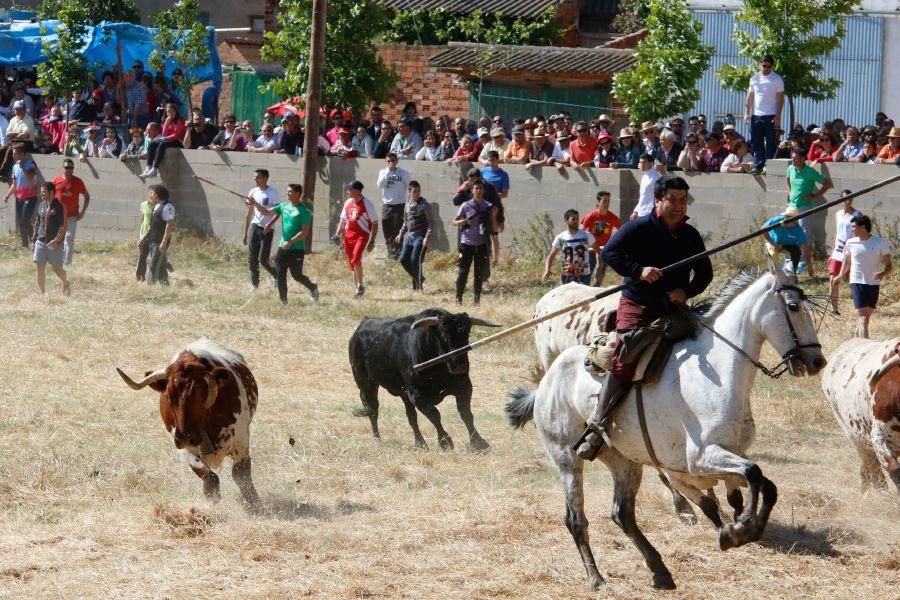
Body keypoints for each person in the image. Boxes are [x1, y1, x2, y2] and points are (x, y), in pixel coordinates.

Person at [575, 176, 713, 460]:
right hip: (638, 303)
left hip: (673, 309)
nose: (678, 205)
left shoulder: (690, 235)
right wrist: (638, 271)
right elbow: (611, 251)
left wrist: (686, 291)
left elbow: (704, 273)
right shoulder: (638, 227)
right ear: (658, 200)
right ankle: (598, 425)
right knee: (625, 358)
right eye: (672, 199)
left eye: (683, 200)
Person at [245, 183, 318, 304]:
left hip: (296, 249)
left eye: (290, 192)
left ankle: (313, 287)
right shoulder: (284, 206)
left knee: (296, 275)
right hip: (282, 247)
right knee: (280, 274)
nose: (287, 193)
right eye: (287, 191)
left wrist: (290, 242)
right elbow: (267, 212)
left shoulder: (304, 211)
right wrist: (255, 203)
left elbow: (304, 232)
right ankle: (283, 300)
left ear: (297, 193)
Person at [841, 214, 892, 338]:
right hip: (857, 281)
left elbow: (889, 265)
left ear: (863, 227)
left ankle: (856, 339)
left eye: (853, 227)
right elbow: (847, 262)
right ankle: (865, 349)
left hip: (873, 283)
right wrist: (839, 276)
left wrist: (883, 273)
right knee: (863, 317)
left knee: (866, 317)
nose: (851, 229)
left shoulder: (879, 242)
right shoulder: (850, 242)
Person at [786, 147, 833, 277]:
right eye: (793, 157)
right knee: (788, 231)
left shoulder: (810, 172)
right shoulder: (790, 169)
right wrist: (790, 195)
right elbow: (787, 180)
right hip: (792, 206)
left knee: (804, 234)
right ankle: (791, 261)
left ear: (803, 159)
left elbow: (827, 184)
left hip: (805, 207)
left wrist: (815, 195)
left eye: (796, 158)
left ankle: (803, 263)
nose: (793, 160)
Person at [453, 180, 496, 305]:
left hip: (481, 244)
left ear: (483, 191)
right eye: (476, 188)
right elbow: (454, 221)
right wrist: (462, 222)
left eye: (480, 188)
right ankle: (458, 298)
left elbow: (493, 228)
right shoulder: (466, 205)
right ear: (472, 191)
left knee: (478, 274)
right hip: (467, 243)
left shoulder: (488, 206)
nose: (478, 191)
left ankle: (476, 300)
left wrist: (494, 216)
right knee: (463, 272)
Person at [335, 180, 378, 297]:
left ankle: (361, 285)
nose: (347, 191)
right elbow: (343, 220)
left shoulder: (367, 204)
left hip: (361, 236)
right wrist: (337, 234)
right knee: (353, 264)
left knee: (356, 259)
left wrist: (372, 241)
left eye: (350, 189)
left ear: (357, 191)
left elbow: (375, 223)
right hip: (348, 236)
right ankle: (358, 289)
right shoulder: (348, 202)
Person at [744, 56, 784, 173]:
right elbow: (750, 95)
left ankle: (769, 165)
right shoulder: (754, 78)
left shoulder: (777, 79)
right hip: (756, 115)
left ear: (772, 67)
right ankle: (758, 165)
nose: (766, 68)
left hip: (771, 115)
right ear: (760, 65)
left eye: (768, 66)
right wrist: (746, 112)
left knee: (771, 141)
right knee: (756, 141)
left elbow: (781, 99)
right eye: (764, 66)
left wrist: (778, 116)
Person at [242, 169, 280, 292]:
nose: (255, 179)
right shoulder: (252, 192)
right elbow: (249, 214)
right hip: (255, 227)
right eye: (254, 177)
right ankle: (254, 285)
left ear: (265, 178)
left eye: (257, 177)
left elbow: (277, 213)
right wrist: (245, 234)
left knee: (262, 259)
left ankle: (276, 275)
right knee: (252, 258)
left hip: (267, 229)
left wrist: (270, 224)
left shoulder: (273, 193)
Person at [394, 180, 433, 291]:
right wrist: (401, 233)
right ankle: (419, 278)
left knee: (415, 260)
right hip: (410, 236)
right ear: (409, 192)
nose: (417, 193)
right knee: (403, 260)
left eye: (419, 191)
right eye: (415, 191)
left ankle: (417, 286)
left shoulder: (424, 205)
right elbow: (406, 221)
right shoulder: (407, 204)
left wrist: (427, 237)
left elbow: (431, 222)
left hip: (420, 237)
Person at [32, 181, 69, 296]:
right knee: (40, 268)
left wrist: (57, 240)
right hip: (41, 242)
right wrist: (34, 240)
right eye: (41, 192)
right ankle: (43, 294)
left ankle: (65, 282)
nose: (41, 194)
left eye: (44, 192)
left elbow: (63, 225)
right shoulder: (41, 205)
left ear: (52, 192)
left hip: (55, 244)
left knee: (56, 269)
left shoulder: (60, 206)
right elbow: (37, 223)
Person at [542, 209, 596, 285]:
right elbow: (551, 256)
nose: (576, 221)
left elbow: (598, 250)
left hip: (583, 275)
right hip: (567, 275)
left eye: (577, 219)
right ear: (566, 220)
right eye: (573, 219)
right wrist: (547, 271)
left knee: (582, 296)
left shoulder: (586, 236)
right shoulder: (561, 238)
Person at [827, 190, 860, 314]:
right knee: (832, 280)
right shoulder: (838, 214)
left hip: (850, 252)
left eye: (850, 198)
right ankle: (834, 309)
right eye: (845, 198)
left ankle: (861, 308)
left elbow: (859, 233)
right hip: (838, 251)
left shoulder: (857, 215)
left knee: (855, 281)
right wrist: (832, 252)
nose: (848, 201)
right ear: (841, 200)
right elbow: (837, 233)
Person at [52, 158, 90, 266]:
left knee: (69, 238)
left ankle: (67, 263)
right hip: (58, 216)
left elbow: (87, 196)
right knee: (57, 238)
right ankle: (56, 260)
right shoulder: (56, 181)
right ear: (62, 168)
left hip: (72, 216)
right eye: (67, 167)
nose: (69, 170)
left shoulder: (78, 182)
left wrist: (82, 212)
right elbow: (50, 197)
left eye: (71, 168)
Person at [581, 191, 621, 285]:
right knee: (589, 270)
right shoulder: (591, 216)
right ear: (598, 202)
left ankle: (596, 288)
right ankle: (584, 286)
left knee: (601, 272)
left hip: (605, 248)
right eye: (604, 201)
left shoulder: (612, 217)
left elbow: (622, 230)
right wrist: (584, 246)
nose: (607, 203)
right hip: (592, 247)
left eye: (608, 201)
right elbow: (581, 231)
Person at [376, 152, 411, 260]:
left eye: (393, 160)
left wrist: (409, 204)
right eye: (389, 161)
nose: (391, 163)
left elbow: (410, 188)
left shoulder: (404, 173)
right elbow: (380, 185)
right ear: (385, 162)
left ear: (397, 161)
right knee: (387, 232)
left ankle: (398, 255)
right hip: (387, 206)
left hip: (399, 206)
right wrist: (388, 172)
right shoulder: (383, 172)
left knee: (397, 231)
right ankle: (391, 254)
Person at [3, 145, 38, 248]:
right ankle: (25, 244)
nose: (13, 155)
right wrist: (8, 195)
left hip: (30, 197)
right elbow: (15, 184)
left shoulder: (30, 164)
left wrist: (22, 167)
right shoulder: (15, 167)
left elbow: (31, 178)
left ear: (22, 154)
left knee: (24, 220)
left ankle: (33, 239)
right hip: (19, 197)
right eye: (13, 153)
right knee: (21, 221)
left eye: (15, 153)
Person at [139, 184, 175, 285]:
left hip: (160, 241)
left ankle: (150, 286)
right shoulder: (157, 206)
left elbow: (169, 224)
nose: (151, 195)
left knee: (154, 264)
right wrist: (144, 238)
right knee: (160, 263)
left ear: (158, 195)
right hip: (152, 239)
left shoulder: (167, 207)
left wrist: (164, 242)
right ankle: (165, 284)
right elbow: (152, 224)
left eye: (153, 193)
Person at [763, 207, 807, 276]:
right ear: (786, 218)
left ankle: (793, 273)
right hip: (773, 243)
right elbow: (763, 230)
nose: (795, 223)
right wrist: (773, 244)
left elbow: (804, 244)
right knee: (775, 259)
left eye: (796, 221)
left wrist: (809, 264)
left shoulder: (797, 228)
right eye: (793, 221)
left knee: (797, 252)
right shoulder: (776, 221)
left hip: (787, 245)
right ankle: (775, 274)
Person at [632, 153, 662, 220]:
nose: (642, 165)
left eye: (644, 162)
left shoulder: (656, 176)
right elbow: (643, 196)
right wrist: (636, 211)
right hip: (642, 212)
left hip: (650, 213)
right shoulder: (644, 176)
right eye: (640, 162)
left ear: (650, 163)